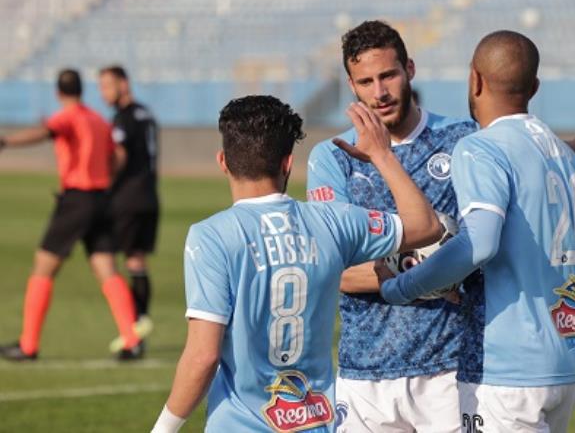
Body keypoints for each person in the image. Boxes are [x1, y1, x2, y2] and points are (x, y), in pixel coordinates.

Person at [306, 20, 575, 432]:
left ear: (410, 70)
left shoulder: (465, 137)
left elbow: (538, 163)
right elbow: (333, 267)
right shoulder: (333, 157)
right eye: (366, 81)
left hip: (450, 369)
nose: (379, 92)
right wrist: (413, 268)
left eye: (388, 75)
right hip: (365, 369)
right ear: (351, 85)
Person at [150, 95, 443, 432]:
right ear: (288, 164)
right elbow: (426, 226)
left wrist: (163, 429)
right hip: (315, 422)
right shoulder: (333, 221)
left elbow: (203, 356)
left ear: (223, 162)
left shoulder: (212, 236)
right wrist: (382, 154)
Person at [0, 69, 142, 361]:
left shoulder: (69, 116)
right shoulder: (99, 120)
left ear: (58, 93)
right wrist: (107, 177)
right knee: (106, 267)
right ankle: (131, 338)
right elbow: (118, 156)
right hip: (101, 199)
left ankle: (28, 345)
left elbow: (45, 131)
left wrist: (7, 142)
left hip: (76, 199)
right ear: (82, 89)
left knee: (43, 266)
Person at [98, 65, 159, 353]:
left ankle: (132, 329)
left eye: (108, 85)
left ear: (124, 83)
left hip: (128, 197)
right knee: (137, 262)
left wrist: (105, 181)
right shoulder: (147, 114)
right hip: (149, 195)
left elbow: (120, 155)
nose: (103, 92)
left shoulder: (122, 118)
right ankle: (140, 326)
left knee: (111, 262)